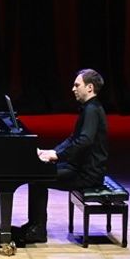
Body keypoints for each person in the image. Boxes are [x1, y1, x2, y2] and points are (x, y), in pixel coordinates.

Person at [21, 68, 108, 245]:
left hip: (87, 173)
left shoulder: (92, 110)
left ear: (89, 87)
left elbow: (84, 141)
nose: (73, 89)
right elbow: (72, 138)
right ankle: (34, 225)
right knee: (38, 174)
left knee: (38, 178)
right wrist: (51, 152)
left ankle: (38, 230)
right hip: (78, 167)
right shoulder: (89, 108)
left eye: (77, 85)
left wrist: (57, 156)